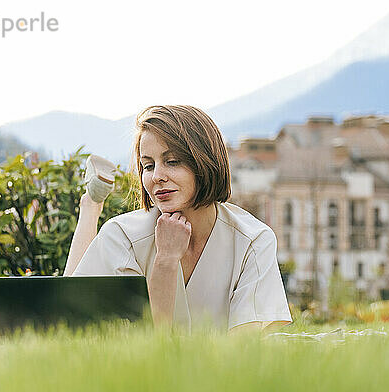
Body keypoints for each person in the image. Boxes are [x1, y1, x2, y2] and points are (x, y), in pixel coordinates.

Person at [64, 105, 292, 332]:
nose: (157, 177)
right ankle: (91, 205)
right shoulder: (121, 237)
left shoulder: (253, 240)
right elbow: (142, 346)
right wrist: (165, 261)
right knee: (65, 301)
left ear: (205, 162)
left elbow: (243, 348)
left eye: (172, 161)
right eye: (148, 166)